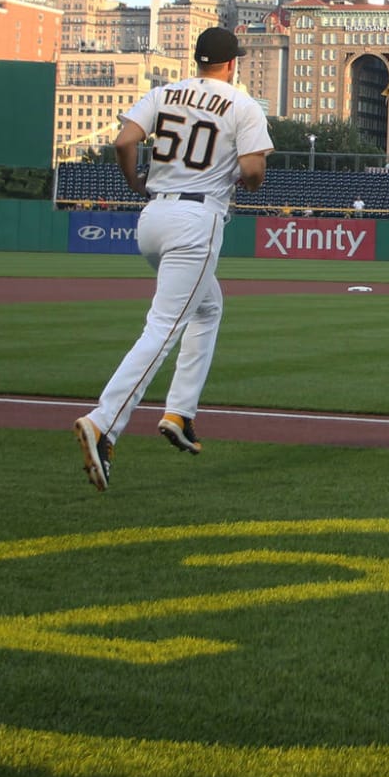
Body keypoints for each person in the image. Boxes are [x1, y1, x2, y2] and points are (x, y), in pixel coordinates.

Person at [73, 27, 273, 493]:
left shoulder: (163, 92)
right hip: (195, 220)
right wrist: (250, 181)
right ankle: (103, 423)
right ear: (232, 63)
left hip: (153, 215)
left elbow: (125, 142)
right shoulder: (242, 103)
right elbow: (253, 169)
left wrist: (133, 182)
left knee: (206, 307)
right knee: (162, 328)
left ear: (198, 61)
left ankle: (180, 413)